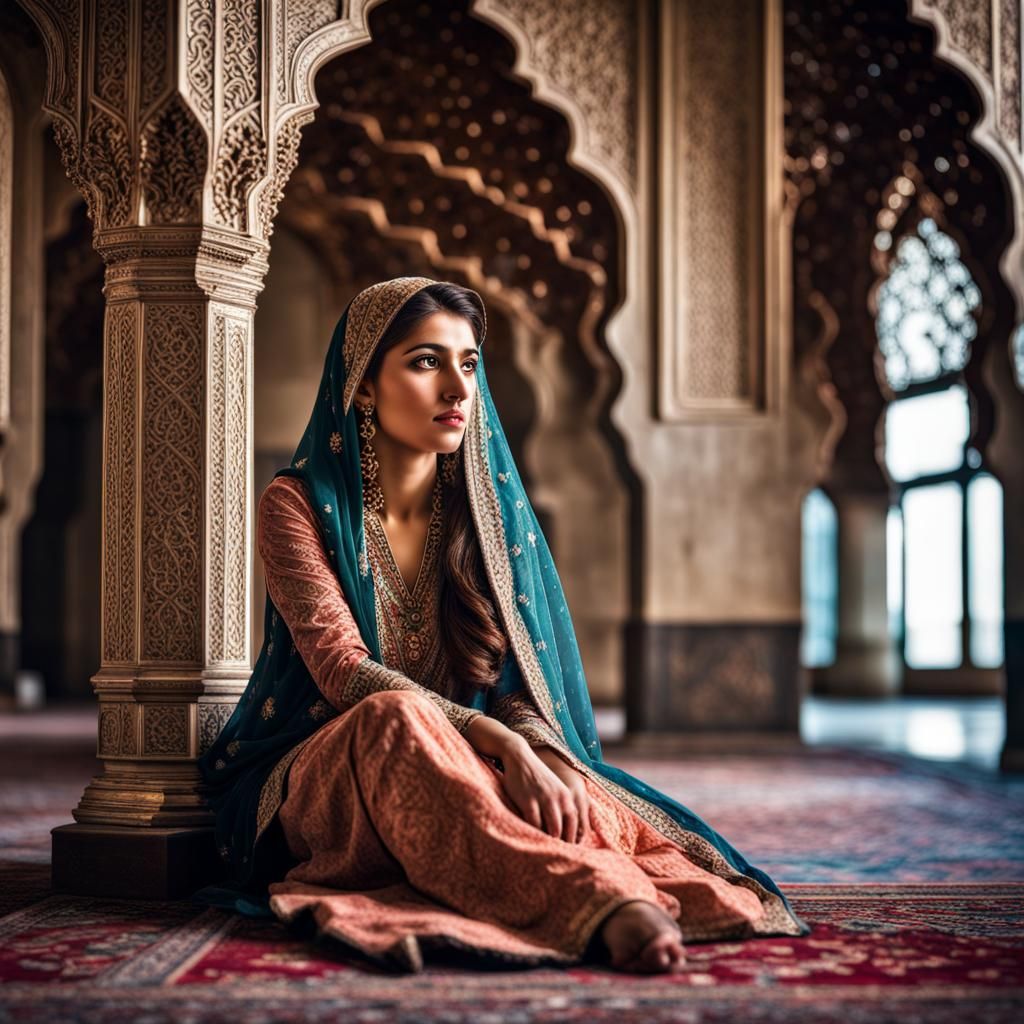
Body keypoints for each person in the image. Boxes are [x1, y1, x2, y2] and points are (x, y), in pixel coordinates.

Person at [196, 276, 809, 974]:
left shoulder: (482, 517)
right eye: (426, 362)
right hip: (332, 770)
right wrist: (498, 742)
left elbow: (508, 683)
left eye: (468, 364)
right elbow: (343, 670)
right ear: (362, 385)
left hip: (463, 763)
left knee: (572, 795)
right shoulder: (299, 505)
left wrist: (541, 756)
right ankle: (597, 901)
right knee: (396, 718)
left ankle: (520, 866)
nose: (457, 388)